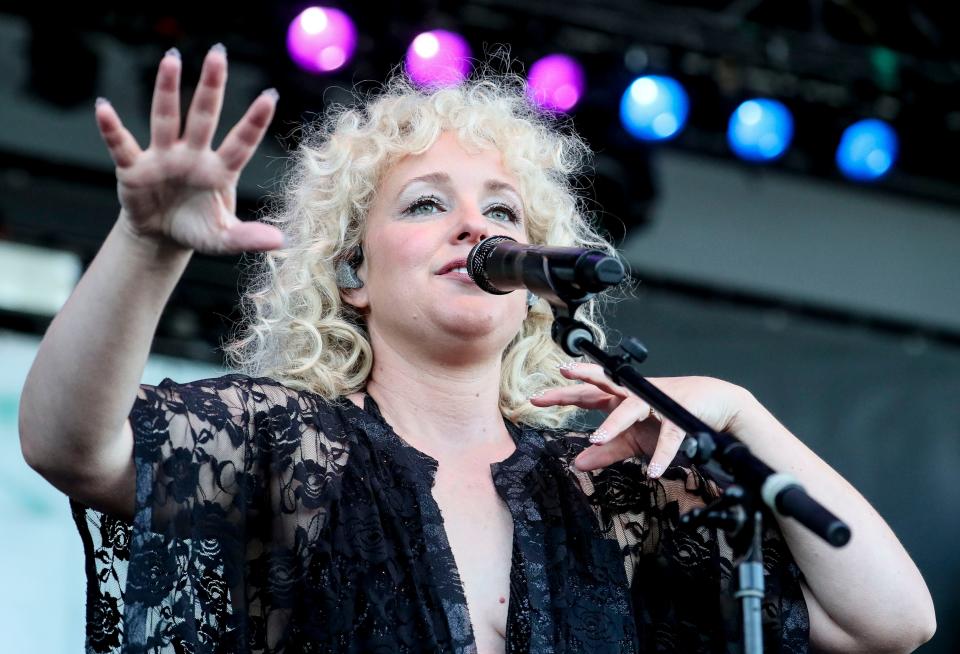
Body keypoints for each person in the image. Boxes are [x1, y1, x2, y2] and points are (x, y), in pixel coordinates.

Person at [18, 44, 935, 654]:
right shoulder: (286, 444)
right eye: (426, 204)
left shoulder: (602, 487)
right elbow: (71, 445)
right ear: (353, 276)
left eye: (502, 212)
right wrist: (150, 244)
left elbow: (892, 622)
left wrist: (737, 409)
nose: (473, 226)